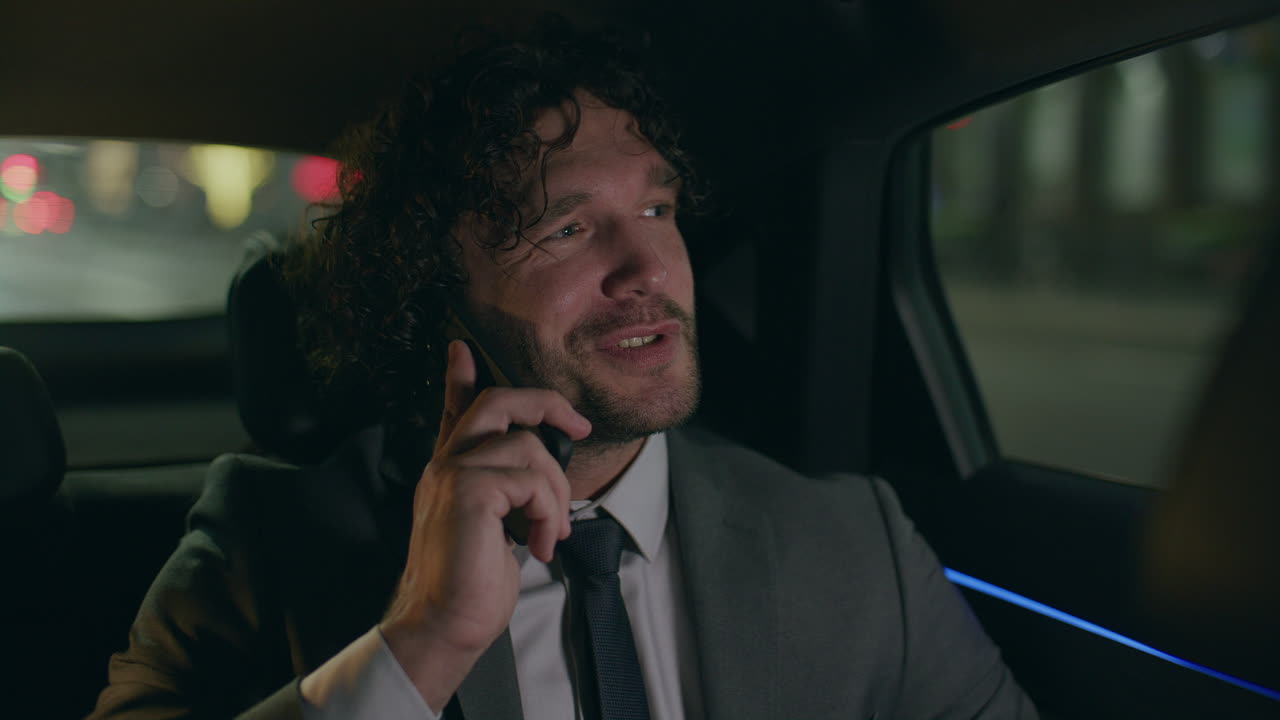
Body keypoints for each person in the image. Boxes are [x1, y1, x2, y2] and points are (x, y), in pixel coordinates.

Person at [90, 22, 1038, 720]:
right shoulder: (267, 540)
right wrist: (419, 643)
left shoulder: (853, 542)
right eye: (568, 228)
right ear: (435, 293)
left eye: (659, 213)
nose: (647, 271)